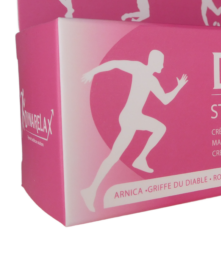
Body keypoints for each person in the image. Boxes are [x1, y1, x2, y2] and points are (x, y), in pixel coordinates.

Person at [80, 50, 188, 212]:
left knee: (114, 156)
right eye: (161, 62)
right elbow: (115, 64)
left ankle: (91, 190)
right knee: (160, 128)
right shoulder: (138, 68)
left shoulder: (152, 79)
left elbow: (165, 100)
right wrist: (92, 72)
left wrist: (178, 86)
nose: (163, 66)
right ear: (154, 62)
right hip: (130, 117)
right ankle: (141, 159)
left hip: (131, 117)